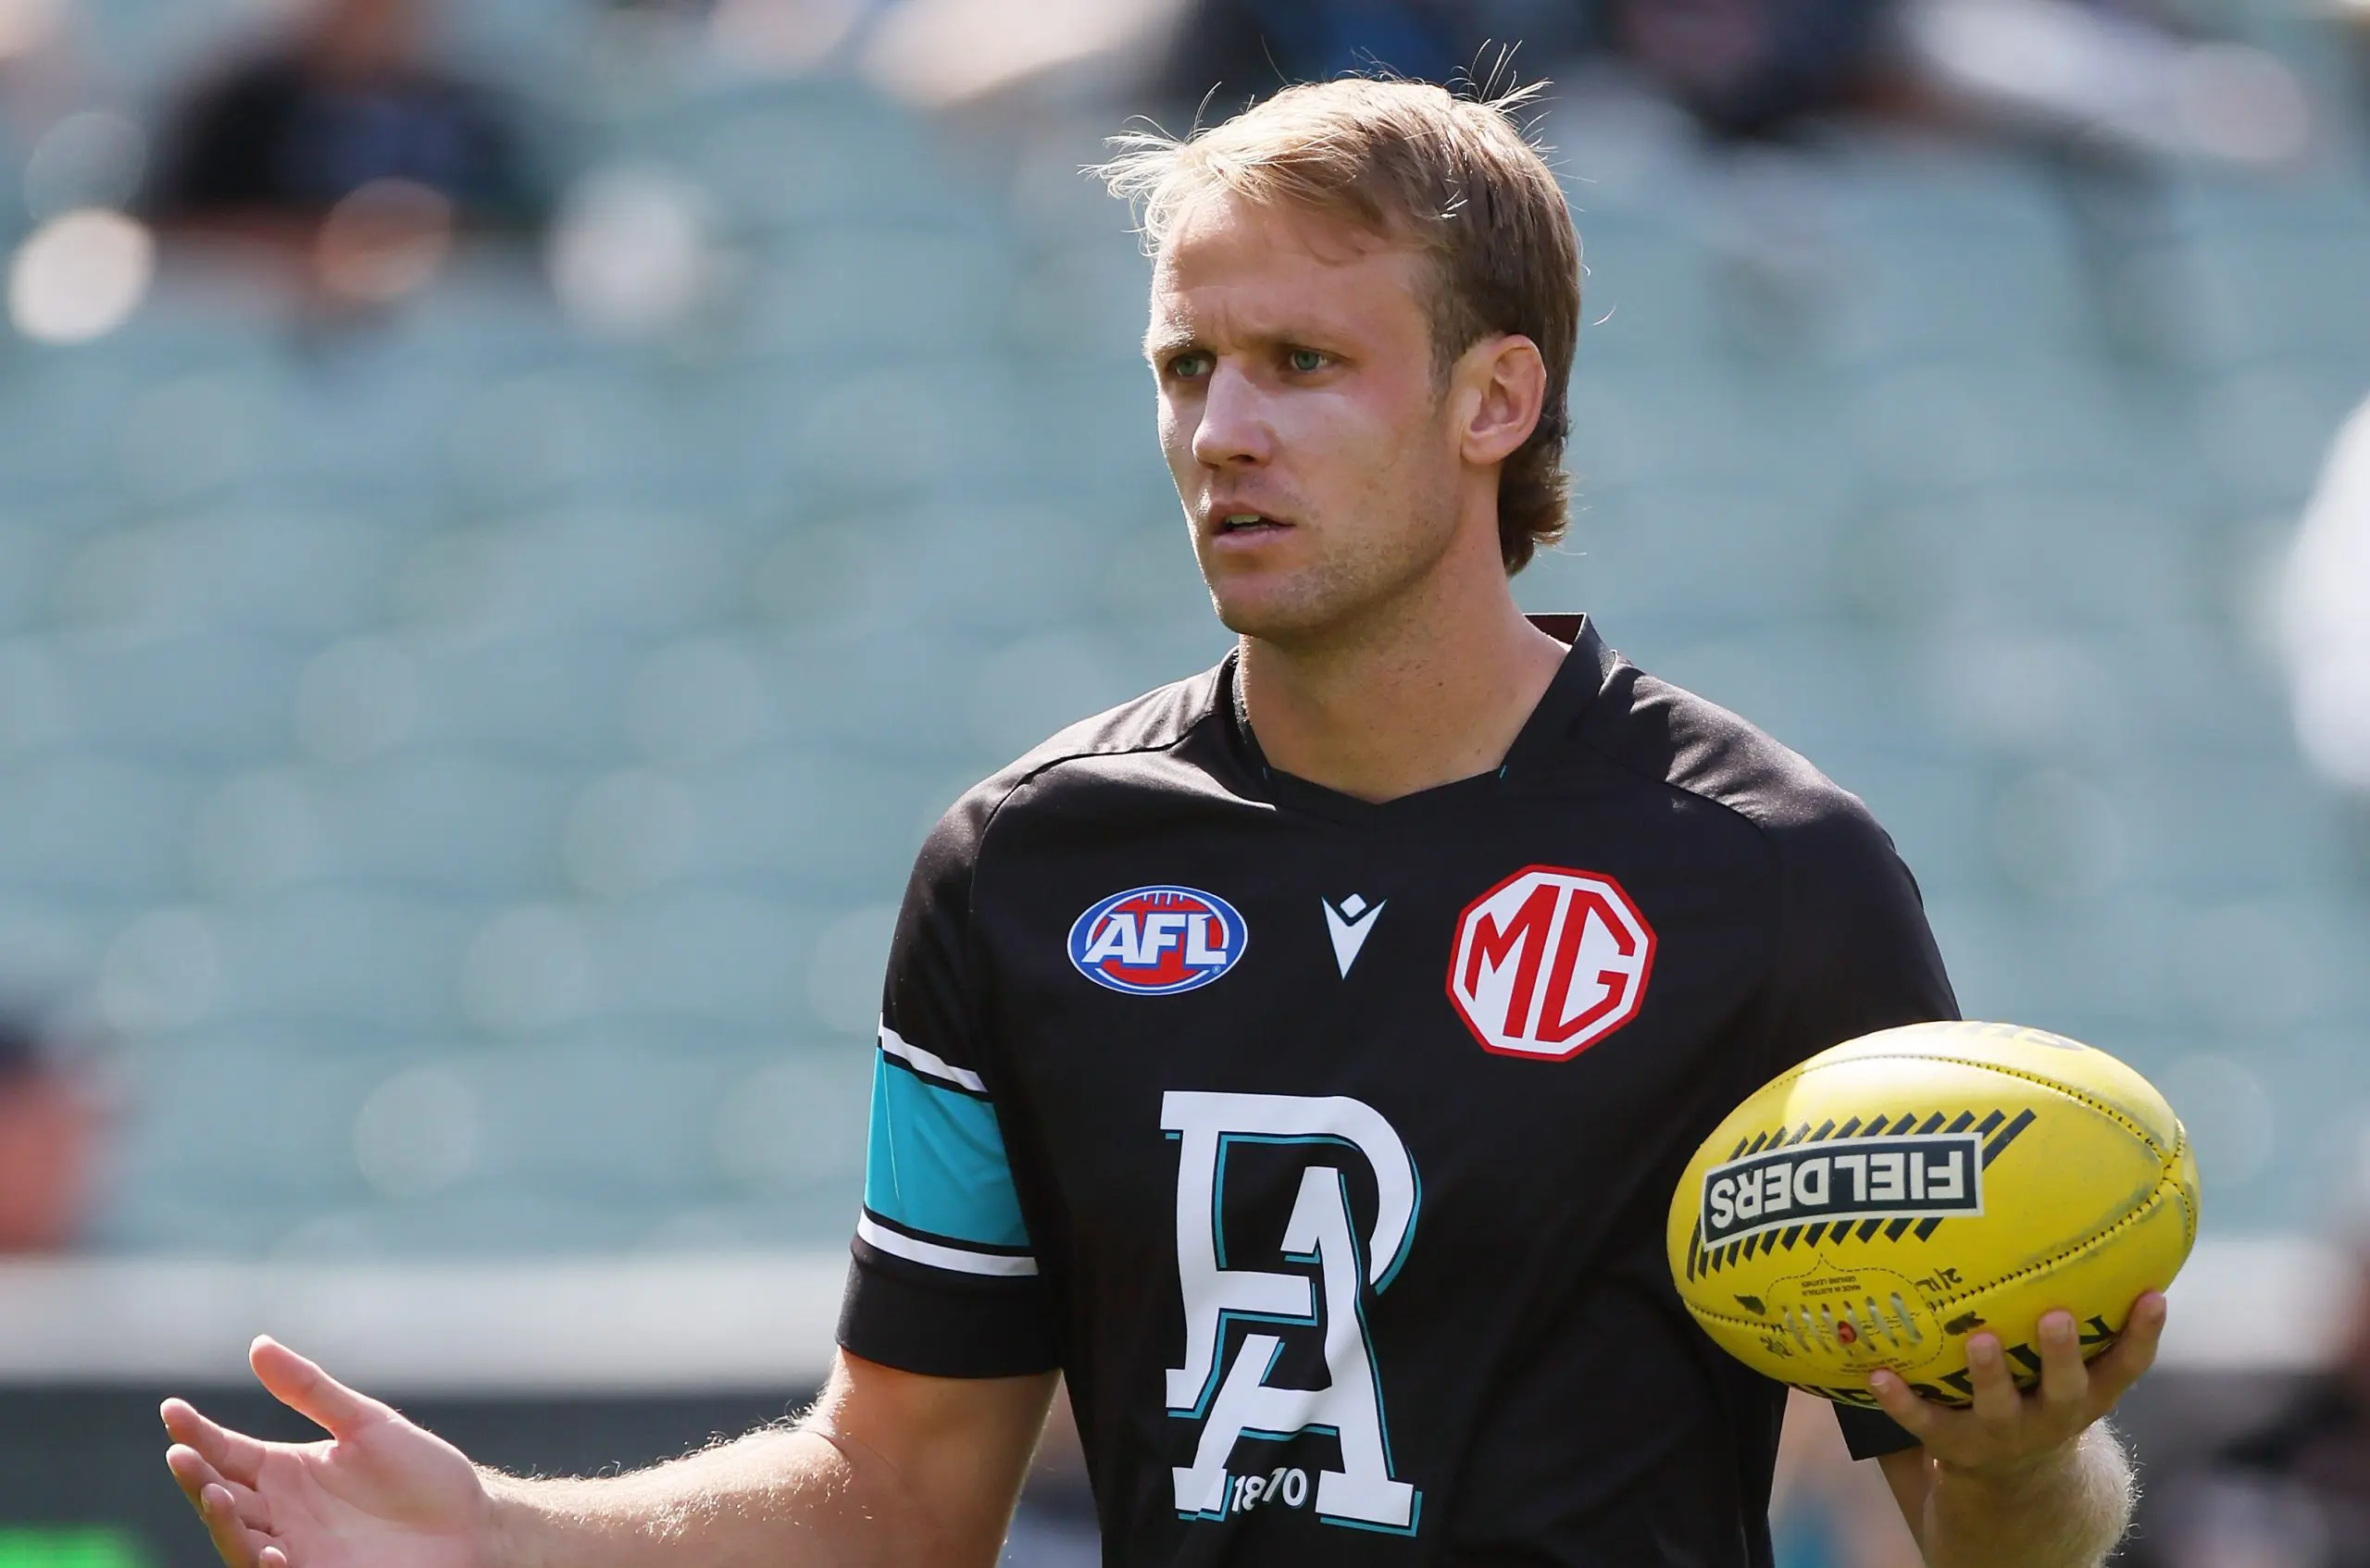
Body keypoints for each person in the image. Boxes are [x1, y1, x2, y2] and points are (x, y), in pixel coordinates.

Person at [158, 78, 2167, 1568]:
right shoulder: (1022, 870)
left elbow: (1978, 1540)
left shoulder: (1770, 875)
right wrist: (503, 1531)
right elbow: (899, 1485)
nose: (1223, 430)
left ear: (1493, 402)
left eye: (1301, 363)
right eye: (1186, 367)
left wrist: (2013, 1465)